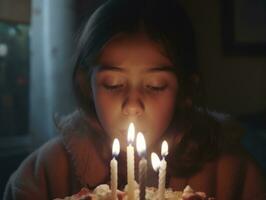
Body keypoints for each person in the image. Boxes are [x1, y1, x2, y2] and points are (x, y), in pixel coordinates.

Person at [4, 0, 266, 199]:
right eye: (113, 84)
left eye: (155, 86)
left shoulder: (233, 173)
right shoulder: (44, 174)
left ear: (186, 89)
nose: (131, 105)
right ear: (86, 85)